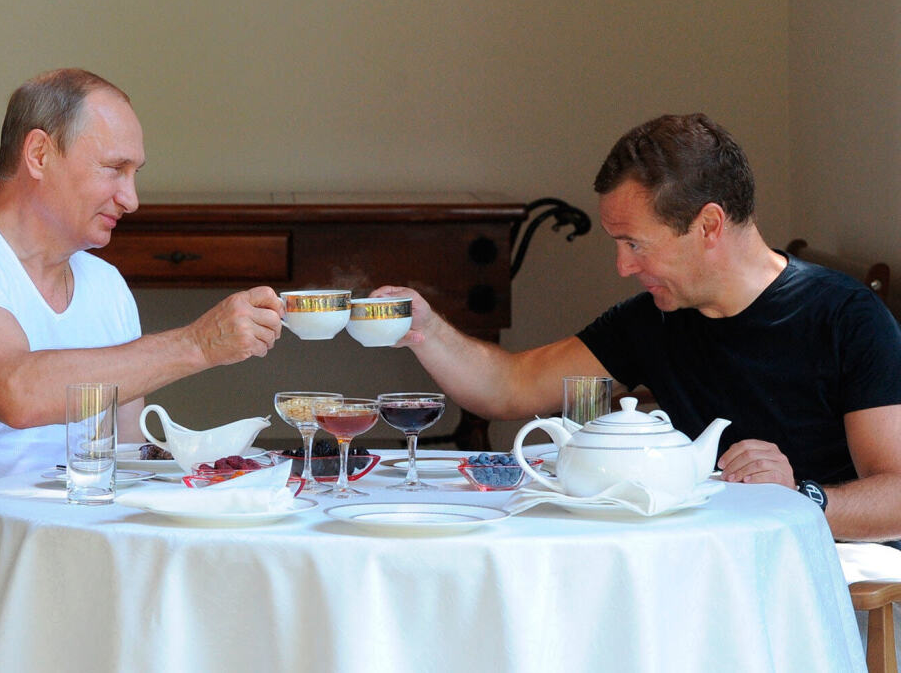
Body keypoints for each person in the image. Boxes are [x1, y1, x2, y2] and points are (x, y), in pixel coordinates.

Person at [0, 68, 284, 672]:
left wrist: (228, 478)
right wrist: (200, 344)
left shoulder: (105, 284)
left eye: (135, 173)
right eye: (114, 168)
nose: (132, 198)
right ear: (39, 153)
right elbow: (17, 391)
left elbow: (126, 458)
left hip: (75, 578)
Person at [374, 112, 901, 542]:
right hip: (705, 564)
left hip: (827, 577)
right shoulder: (656, 318)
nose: (623, 267)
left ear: (709, 225)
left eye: (635, 244)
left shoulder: (846, 317)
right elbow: (510, 387)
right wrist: (427, 330)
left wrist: (803, 499)